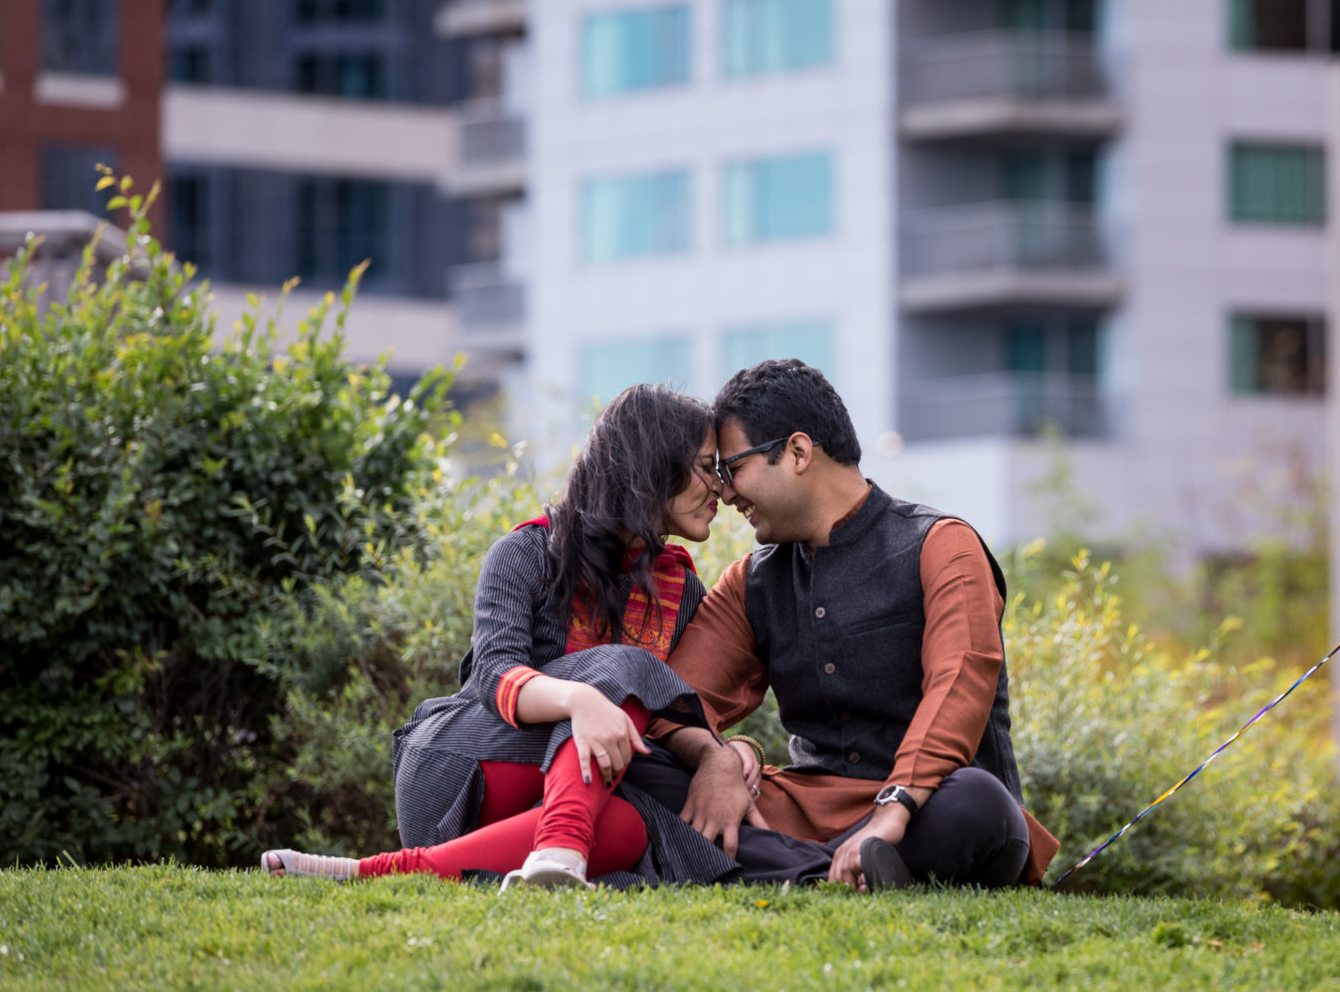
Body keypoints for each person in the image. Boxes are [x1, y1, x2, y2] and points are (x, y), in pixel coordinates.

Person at [260, 383, 829, 889]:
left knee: (633, 829)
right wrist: (580, 698)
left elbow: (664, 713)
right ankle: (559, 845)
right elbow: (493, 675)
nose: (721, 490)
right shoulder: (528, 552)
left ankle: (374, 873)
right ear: (652, 465)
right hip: (466, 769)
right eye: (707, 468)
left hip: (578, 793)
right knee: (622, 669)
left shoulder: (680, 588)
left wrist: (725, 755)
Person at [652, 359, 1059, 890]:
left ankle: (787, 867)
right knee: (649, 774)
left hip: (929, 807)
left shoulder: (942, 545)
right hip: (807, 811)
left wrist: (895, 807)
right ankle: (831, 874)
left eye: (733, 471)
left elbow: (960, 683)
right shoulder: (751, 582)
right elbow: (673, 701)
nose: (725, 495)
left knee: (979, 802)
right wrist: (724, 756)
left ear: (797, 452)